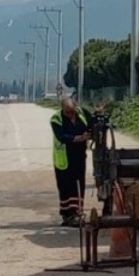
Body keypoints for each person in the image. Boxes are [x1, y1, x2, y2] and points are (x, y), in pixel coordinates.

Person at [51, 97, 91, 227]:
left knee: (79, 184)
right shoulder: (56, 119)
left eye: (72, 111)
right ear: (62, 109)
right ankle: (67, 215)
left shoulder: (83, 113)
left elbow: (92, 124)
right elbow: (62, 137)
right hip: (64, 158)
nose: (70, 114)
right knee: (65, 186)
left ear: (76, 107)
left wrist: (91, 132)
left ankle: (77, 213)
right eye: (67, 112)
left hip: (79, 155)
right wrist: (79, 138)